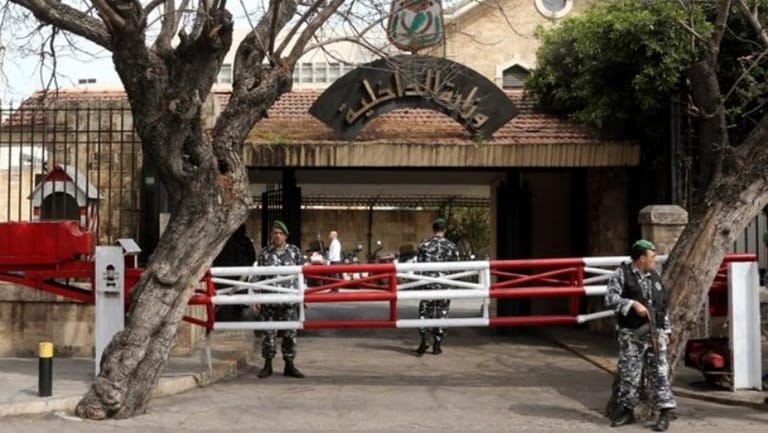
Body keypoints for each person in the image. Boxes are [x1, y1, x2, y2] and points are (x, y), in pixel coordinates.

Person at [605, 239, 676, 431]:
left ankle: (664, 413)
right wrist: (632, 304)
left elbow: (662, 307)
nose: (655, 260)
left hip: (655, 334)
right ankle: (627, 411)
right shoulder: (622, 274)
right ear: (642, 258)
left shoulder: (655, 277)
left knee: (660, 373)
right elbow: (610, 298)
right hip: (632, 335)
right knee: (630, 374)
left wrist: (666, 330)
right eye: (652, 256)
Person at [254, 220, 305, 379]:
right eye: (275, 233)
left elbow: (301, 275)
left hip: (289, 301)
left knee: (290, 333)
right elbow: (258, 276)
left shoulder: (295, 252)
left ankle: (289, 365)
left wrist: (303, 296)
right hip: (269, 300)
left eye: (280, 233)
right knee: (268, 334)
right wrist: (256, 297)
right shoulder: (265, 253)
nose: (277, 236)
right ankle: (267, 365)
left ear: (285, 236)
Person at [414, 217, 459, 356]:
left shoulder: (424, 244)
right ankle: (437, 345)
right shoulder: (451, 246)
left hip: (427, 283)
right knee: (442, 313)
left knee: (424, 312)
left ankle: (425, 340)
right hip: (444, 284)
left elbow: (418, 265)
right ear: (445, 230)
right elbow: (456, 267)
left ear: (433, 229)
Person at [212, 224, 256, 321]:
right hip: (240, 277)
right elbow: (252, 258)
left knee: (223, 301)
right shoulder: (245, 241)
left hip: (222, 277)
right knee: (237, 301)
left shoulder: (222, 242)